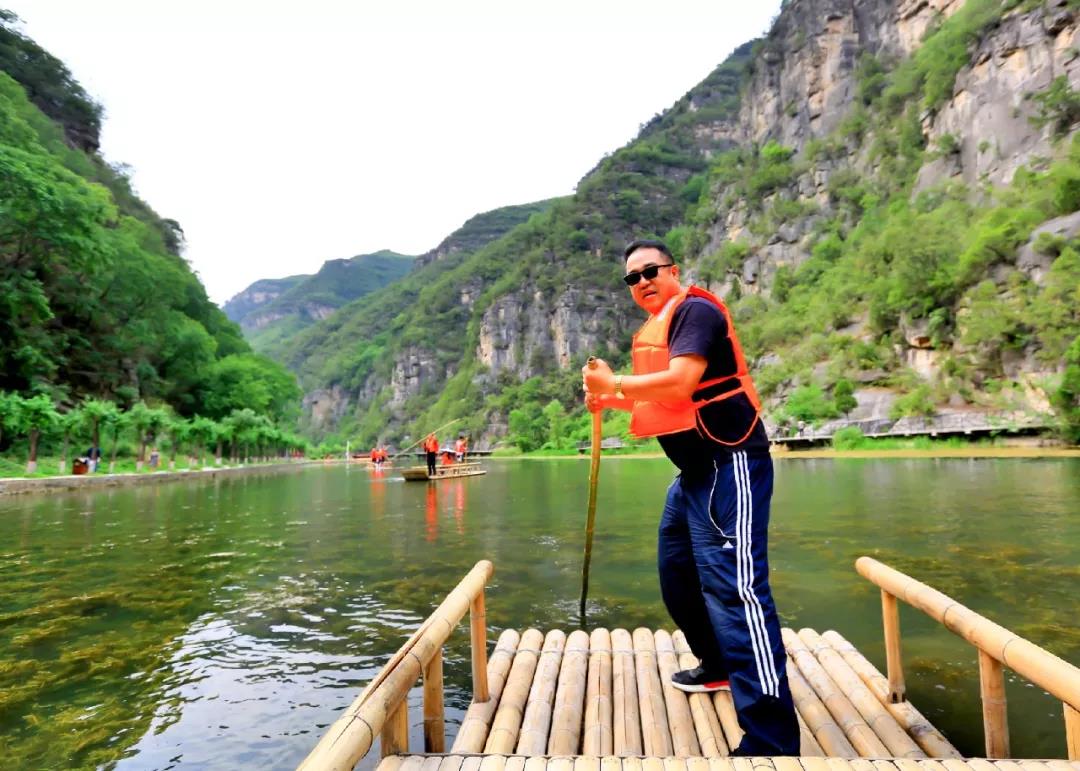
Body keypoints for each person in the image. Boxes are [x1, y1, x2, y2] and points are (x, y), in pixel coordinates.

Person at [582, 238, 798, 756]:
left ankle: (772, 738)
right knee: (677, 574)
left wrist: (615, 382)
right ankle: (719, 664)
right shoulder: (662, 326)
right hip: (693, 475)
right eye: (632, 278)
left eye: (650, 271)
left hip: (730, 463)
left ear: (673, 270)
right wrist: (608, 397)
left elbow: (681, 384)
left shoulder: (695, 312)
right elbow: (665, 398)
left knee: (737, 593)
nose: (642, 282)